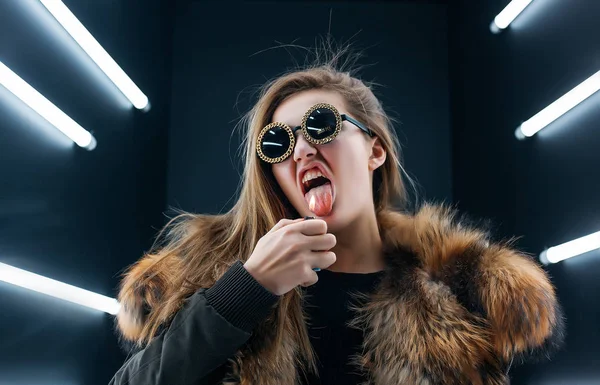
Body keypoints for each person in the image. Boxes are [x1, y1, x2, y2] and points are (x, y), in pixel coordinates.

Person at [108, 51, 564, 385]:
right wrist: (244, 290)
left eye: (321, 125)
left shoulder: (466, 294)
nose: (302, 148)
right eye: (277, 143)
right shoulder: (207, 283)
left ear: (375, 149)